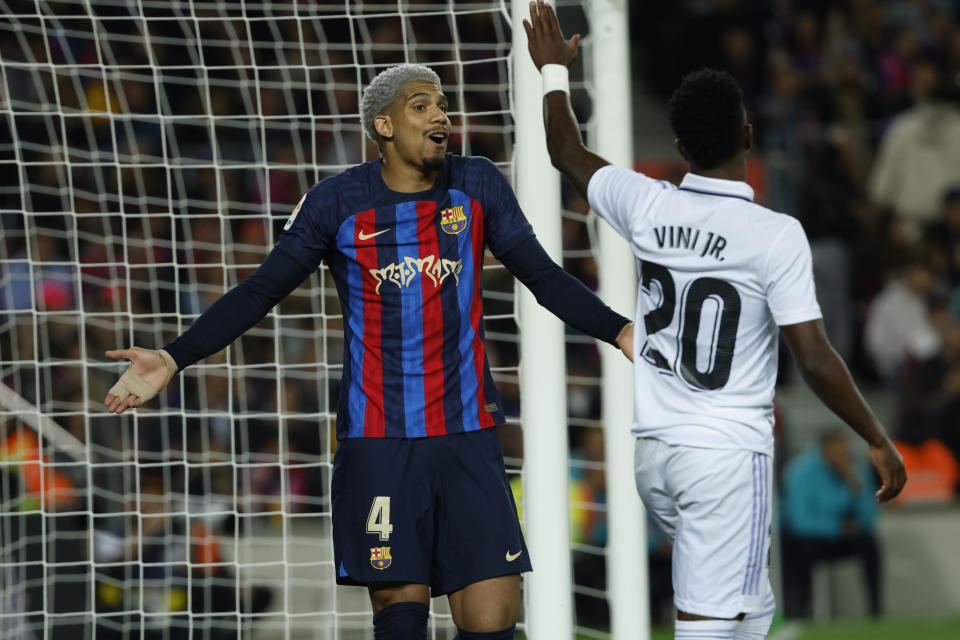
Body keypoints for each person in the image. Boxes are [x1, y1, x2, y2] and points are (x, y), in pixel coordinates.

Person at [102, 63, 633, 640]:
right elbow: (261, 291)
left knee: (493, 619)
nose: (441, 115)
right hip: (379, 441)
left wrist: (621, 331)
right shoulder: (336, 202)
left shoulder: (477, 183)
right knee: (401, 613)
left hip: (468, 435)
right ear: (383, 124)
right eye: (421, 105)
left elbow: (543, 276)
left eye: (443, 105)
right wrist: (174, 356)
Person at [523, 3, 906, 639]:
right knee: (708, 626)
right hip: (723, 456)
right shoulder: (774, 235)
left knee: (751, 611)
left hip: (654, 456)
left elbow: (566, 150)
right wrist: (875, 434)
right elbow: (812, 356)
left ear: (678, 148)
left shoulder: (645, 202)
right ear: (748, 136)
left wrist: (555, 74)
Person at [780, 429, 881, 618]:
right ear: (824, 450)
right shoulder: (799, 472)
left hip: (842, 535)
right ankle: (801, 611)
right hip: (807, 539)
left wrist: (854, 485)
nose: (844, 456)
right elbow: (799, 521)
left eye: (846, 451)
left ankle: (876, 610)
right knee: (803, 549)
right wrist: (837, 528)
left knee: (870, 543)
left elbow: (869, 518)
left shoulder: (856, 470)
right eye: (839, 451)